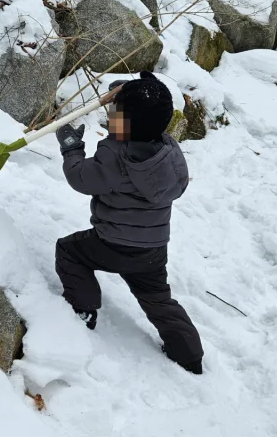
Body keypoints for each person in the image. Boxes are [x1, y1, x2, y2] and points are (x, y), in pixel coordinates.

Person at [54, 71, 204, 374]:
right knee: (159, 300)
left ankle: (83, 309)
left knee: (70, 251)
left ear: (124, 124)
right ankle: (189, 354)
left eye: (114, 114)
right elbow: (140, 110)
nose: (109, 117)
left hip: (112, 244)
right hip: (152, 250)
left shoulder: (115, 155)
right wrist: (123, 93)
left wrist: (72, 149)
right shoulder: (169, 151)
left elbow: (82, 178)